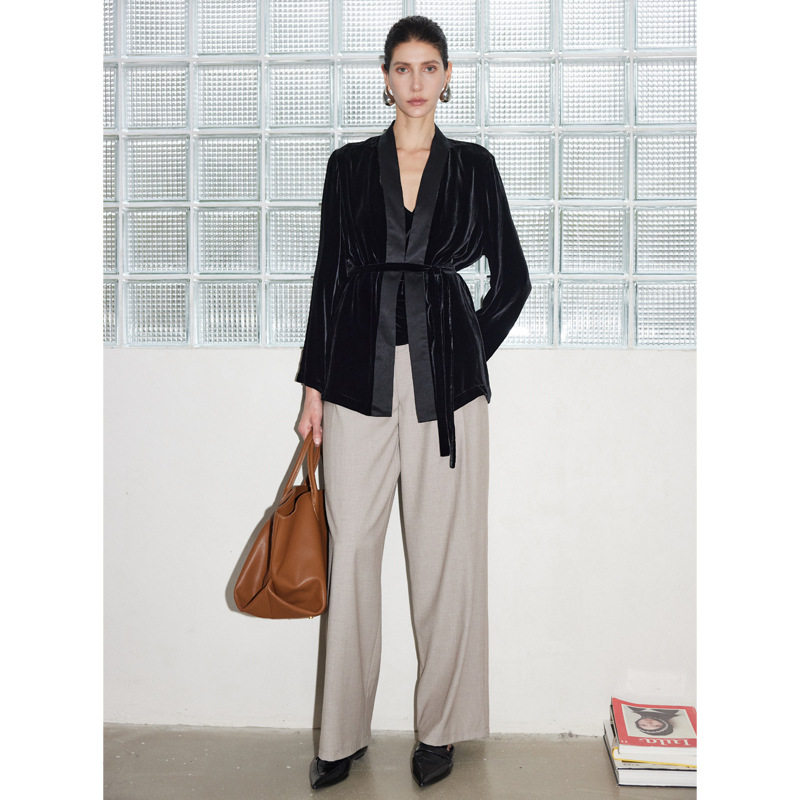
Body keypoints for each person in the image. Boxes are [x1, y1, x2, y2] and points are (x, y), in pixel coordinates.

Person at [295, 15, 531, 790]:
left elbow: (514, 279)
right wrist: (313, 388)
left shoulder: (474, 167)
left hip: (446, 389)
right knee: (352, 551)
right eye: (403, 67)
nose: (417, 81)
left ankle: (441, 729)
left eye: (430, 67)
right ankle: (341, 735)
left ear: (448, 76)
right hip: (355, 379)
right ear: (386, 77)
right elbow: (329, 278)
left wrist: (465, 350)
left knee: (444, 559)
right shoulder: (347, 166)